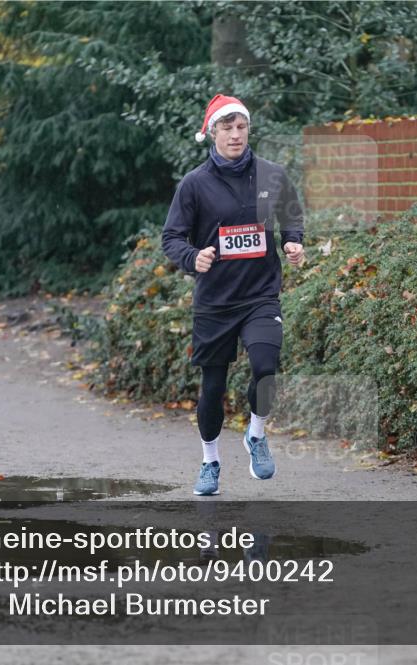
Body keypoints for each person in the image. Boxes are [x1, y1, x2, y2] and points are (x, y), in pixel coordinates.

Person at [161, 94, 305, 496]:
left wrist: (293, 242)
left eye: (241, 127)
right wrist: (193, 257)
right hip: (215, 302)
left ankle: (256, 434)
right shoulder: (194, 184)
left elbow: (292, 214)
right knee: (212, 389)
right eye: (227, 128)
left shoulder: (273, 175)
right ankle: (210, 462)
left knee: (266, 364)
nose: (236, 135)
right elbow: (171, 237)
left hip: (260, 295)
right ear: (211, 133)